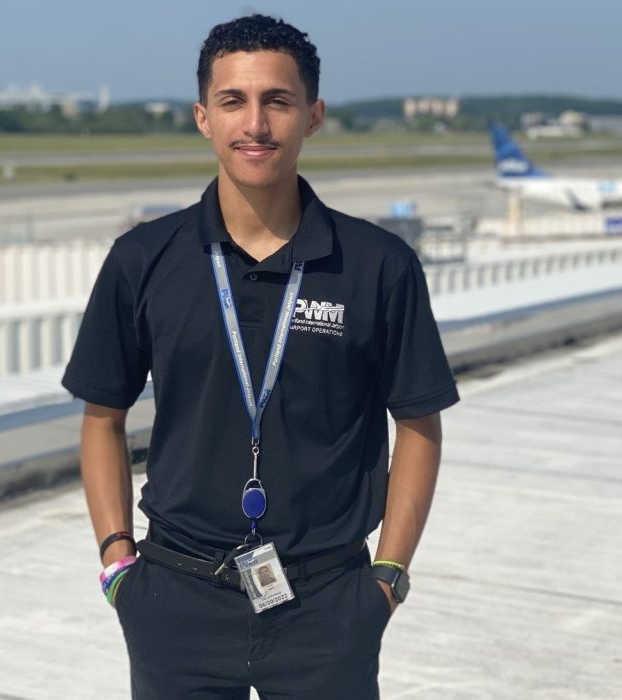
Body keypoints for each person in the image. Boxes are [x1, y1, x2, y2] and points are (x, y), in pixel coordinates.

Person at [62, 14, 459, 699]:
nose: (255, 124)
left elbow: (419, 423)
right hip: (175, 597)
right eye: (233, 101)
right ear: (203, 118)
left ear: (313, 116)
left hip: (328, 601)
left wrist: (388, 577)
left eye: (277, 100)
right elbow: (103, 415)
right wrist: (116, 564)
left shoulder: (378, 265)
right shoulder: (142, 259)